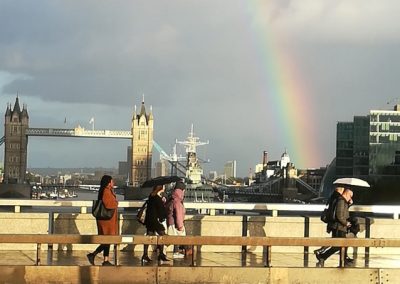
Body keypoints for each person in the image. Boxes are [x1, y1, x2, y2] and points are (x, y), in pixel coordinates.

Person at [315, 188, 353, 267]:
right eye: (350, 196)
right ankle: (323, 255)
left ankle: (324, 255)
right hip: (338, 227)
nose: (350, 198)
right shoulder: (341, 201)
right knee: (339, 245)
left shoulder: (341, 201)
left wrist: (349, 204)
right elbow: (339, 215)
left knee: (339, 244)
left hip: (338, 226)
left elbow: (343, 211)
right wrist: (346, 223)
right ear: (347, 194)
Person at [87, 175, 119, 266]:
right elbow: (108, 204)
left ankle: (105, 260)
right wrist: (116, 203)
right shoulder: (106, 191)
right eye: (112, 181)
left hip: (107, 220)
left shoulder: (107, 191)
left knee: (107, 240)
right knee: (107, 240)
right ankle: (94, 255)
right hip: (107, 221)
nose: (113, 183)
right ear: (108, 183)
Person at [141, 184, 169, 264]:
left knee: (149, 236)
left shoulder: (151, 196)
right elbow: (161, 211)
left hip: (149, 220)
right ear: (160, 188)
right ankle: (161, 254)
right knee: (162, 234)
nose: (164, 188)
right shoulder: (157, 198)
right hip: (154, 220)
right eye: (163, 187)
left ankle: (145, 254)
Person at [314, 186, 345, 256]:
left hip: (332, 223)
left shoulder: (332, 197)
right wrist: (344, 222)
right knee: (338, 243)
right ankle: (322, 252)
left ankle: (322, 252)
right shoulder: (339, 199)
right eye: (343, 189)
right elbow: (339, 213)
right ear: (340, 190)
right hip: (337, 224)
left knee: (335, 241)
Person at [166, 181, 187, 259]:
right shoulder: (178, 201)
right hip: (175, 223)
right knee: (178, 238)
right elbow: (178, 214)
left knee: (173, 239)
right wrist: (180, 226)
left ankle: (163, 252)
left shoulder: (172, 198)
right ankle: (176, 252)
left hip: (171, 222)